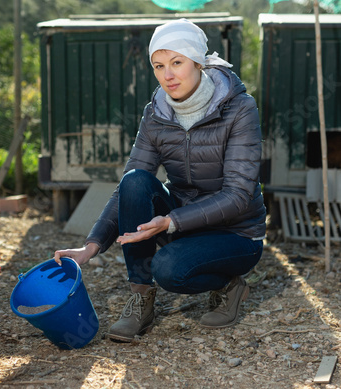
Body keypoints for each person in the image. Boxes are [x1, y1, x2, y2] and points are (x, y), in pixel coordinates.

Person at [54, 18, 266, 343]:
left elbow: (237, 196)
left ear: (198, 62)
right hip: (183, 224)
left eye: (177, 63)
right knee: (136, 181)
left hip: (236, 233)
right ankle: (141, 297)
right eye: (158, 65)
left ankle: (229, 285)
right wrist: (91, 245)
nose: (167, 75)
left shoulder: (239, 109)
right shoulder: (156, 114)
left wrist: (170, 221)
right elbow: (130, 185)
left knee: (168, 269)